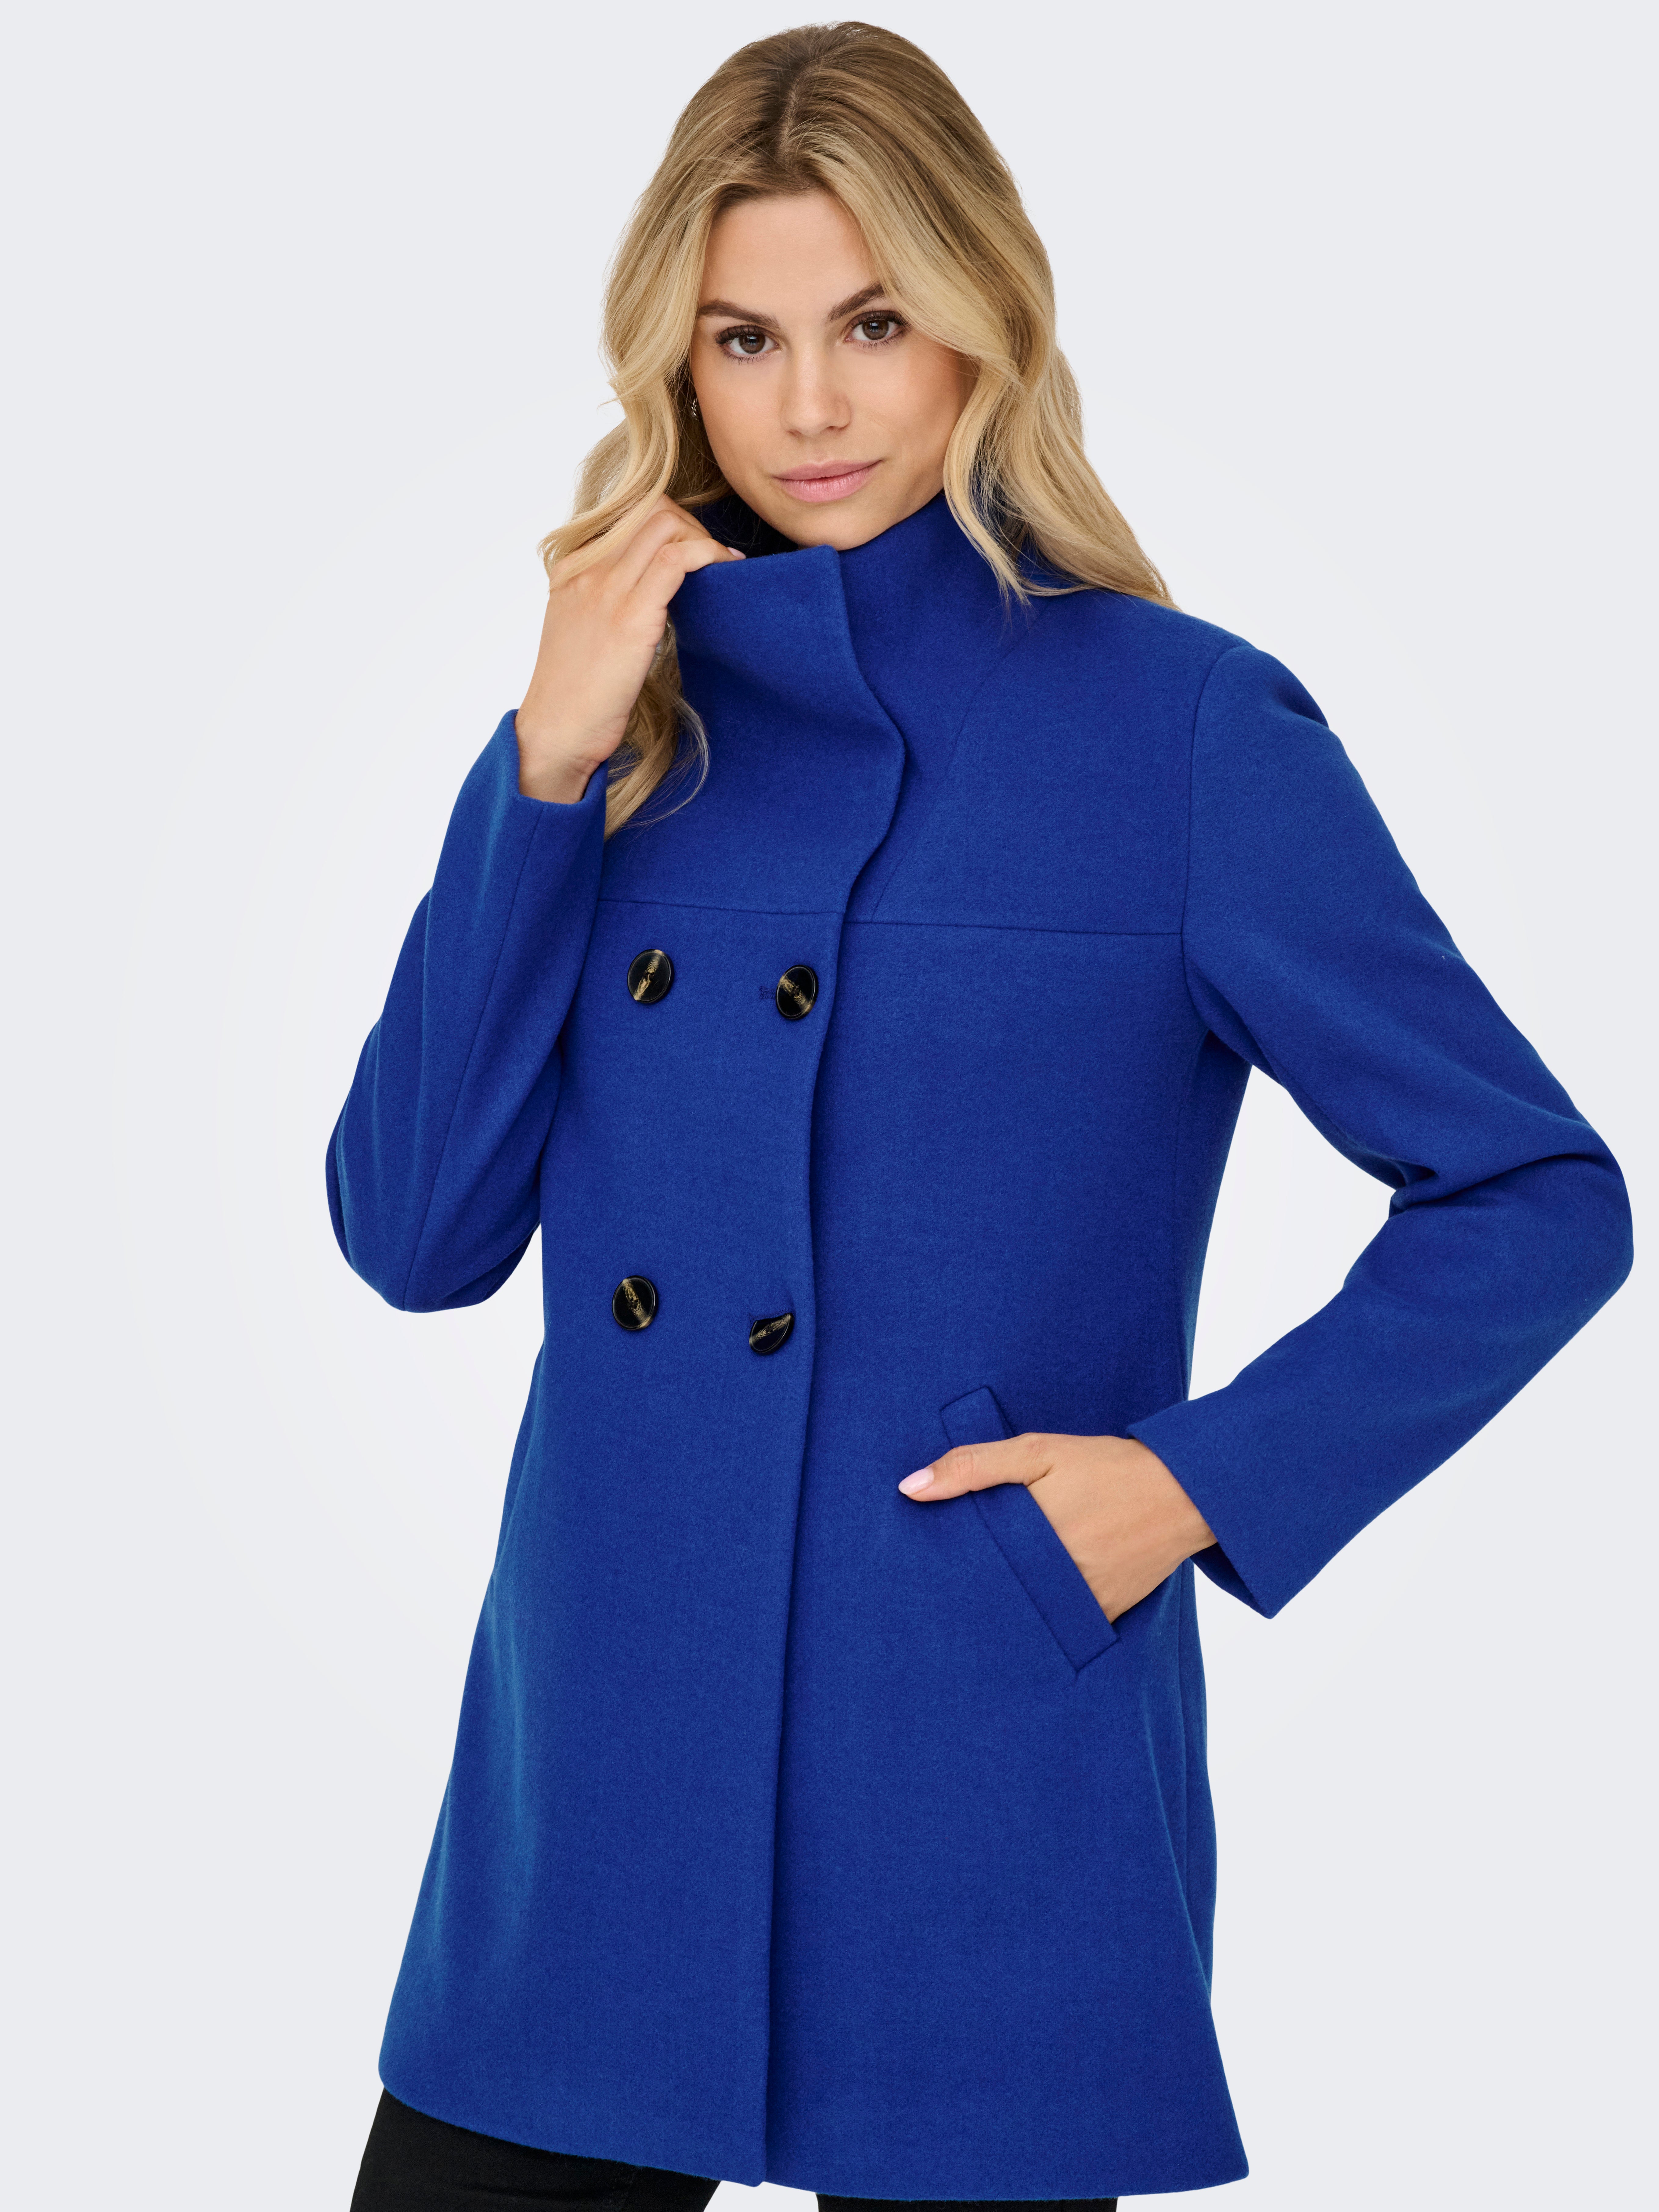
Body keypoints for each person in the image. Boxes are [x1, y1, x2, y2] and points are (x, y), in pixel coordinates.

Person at [329, 22, 1632, 2211]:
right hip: (603, 1769)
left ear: (981, 322)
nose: (810, 408)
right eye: (745, 339)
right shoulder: (615, 730)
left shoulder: (1183, 727)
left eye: (873, 324)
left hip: (971, 1762)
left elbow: (1535, 1190)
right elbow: (412, 1233)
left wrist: (1188, 1487)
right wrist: (541, 769)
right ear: (676, 362)